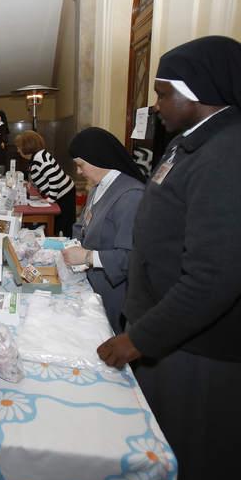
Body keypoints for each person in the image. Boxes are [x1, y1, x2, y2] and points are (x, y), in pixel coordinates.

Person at [96, 36, 241, 480]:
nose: (157, 103)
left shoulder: (233, 157)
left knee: (202, 469)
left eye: (164, 92)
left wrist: (137, 339)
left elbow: (213, 278)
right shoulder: (190, 143)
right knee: (167, 456)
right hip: (177, 336)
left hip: (208, 347)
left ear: (199, 91)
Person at [62, 127, 145, 331]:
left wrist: (88, 257)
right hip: (90, 281)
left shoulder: (131, 195)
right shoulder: (99, 187)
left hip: (112, 292)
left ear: (98, 158)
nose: (79, 171)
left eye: (81, 165)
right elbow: (81, 225)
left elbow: (129, 257)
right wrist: (75, 246)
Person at [15, 130, 76, 237]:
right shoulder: (37, 156)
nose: (18, 150)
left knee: (64, 223)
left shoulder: (39, 158)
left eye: (19, 147)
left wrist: (51, 198)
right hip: (62, 191)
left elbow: (53, 176)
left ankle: (67, 241)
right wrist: (31, 183)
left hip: (64, 193)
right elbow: (42, 175)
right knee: (61, 222)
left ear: (27, 147)